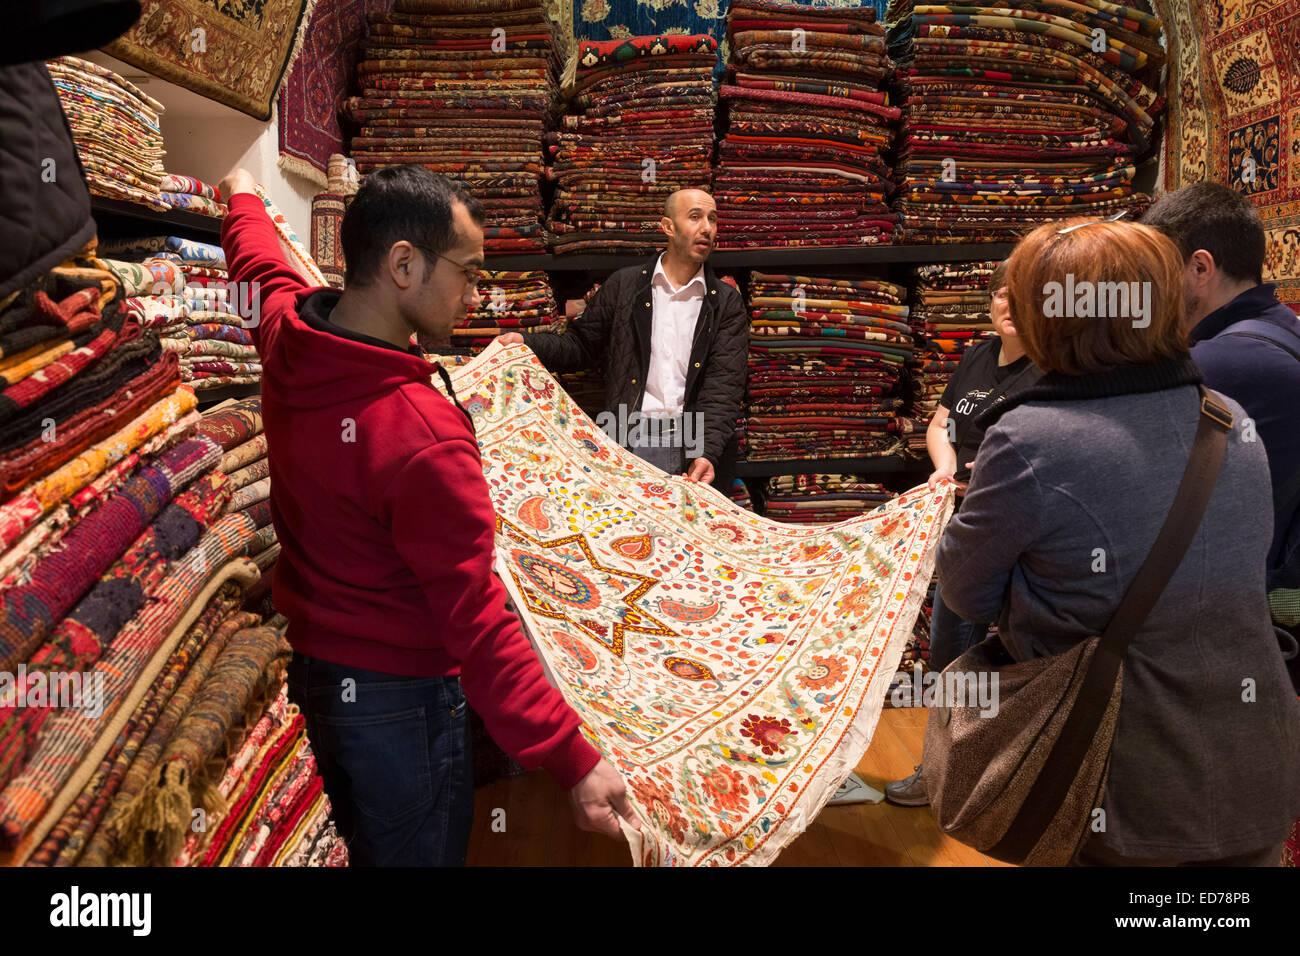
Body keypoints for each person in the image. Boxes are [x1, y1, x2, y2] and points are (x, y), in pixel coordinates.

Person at [217, 164, 637, 866]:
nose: (476, 293)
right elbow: (477, 623)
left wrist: (240, 194)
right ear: (403, 264)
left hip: (315, 680)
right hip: (403, 707)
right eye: (469, 273)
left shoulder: (290, 337)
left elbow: (258, 261)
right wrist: (574, 760)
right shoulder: (426, 436)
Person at [937, 217, 1300, 865]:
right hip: (1252, 764)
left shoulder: (1031, 438)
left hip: (1117, 777)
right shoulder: (1227, 419)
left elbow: (965, 592)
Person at [884, 261, 1041, 807]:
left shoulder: (1049, 370)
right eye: (1002, 295)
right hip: (964, 520)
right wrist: (945, 467)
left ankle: (1000, 777)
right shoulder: (978, 354)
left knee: (1019, 653)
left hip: (1020, 524)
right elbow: (939, 423)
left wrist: (990, 475)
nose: (1009, 306)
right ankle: (939, 770)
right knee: (953, 647)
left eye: (1021, 297)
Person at [496, 189, 747, 490]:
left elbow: (725, 384)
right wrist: (526, 342)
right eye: (695, 217)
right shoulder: (626, 286)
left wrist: (706, 451)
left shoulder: (724, 301)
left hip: (691, 445)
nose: (707, 227)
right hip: (630, 438)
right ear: (668, 227)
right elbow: (581, 346)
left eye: (713, 219)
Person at [1142, 184, 1300, 601]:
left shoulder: (1220, 363)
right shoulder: (1284, 329)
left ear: (1200, 268)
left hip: (1247, 602)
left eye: (1157, 274)